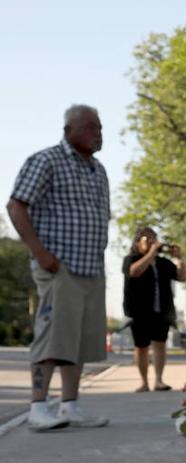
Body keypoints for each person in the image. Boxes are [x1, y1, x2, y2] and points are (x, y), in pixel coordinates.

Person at [5, 105, 110, 431]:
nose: (98, 133)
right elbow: (16, 204)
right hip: (58, 266)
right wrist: (39, 251)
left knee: (77, 339)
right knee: (52, 336)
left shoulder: (98, 169)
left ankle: (70, 405)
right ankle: (38, 406)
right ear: (69, 131)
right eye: (91, 127)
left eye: (100, 127)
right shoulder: (47, 160)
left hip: (90, 267)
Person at [122, 227, 186, 391]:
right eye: (147, 240)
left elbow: (182, 277)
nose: (152, 243)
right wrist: (150, 255)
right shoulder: (131, 259)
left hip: (162, 309)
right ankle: (144, 382)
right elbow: (134, 272)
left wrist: (179, 258)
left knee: (160, 344)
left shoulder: (164, 263)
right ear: (137, 243)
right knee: (141, 346)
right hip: (139, 310)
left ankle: (159, 380)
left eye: (154, 239)